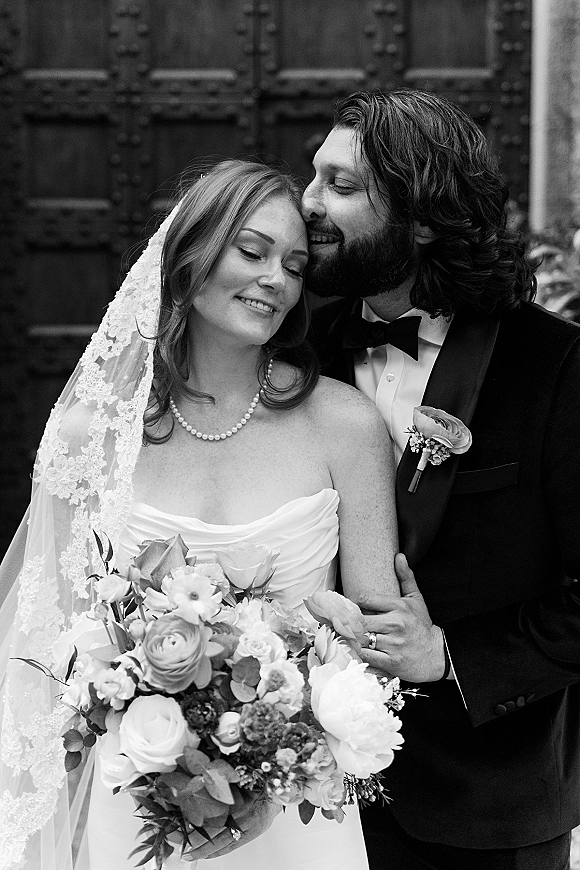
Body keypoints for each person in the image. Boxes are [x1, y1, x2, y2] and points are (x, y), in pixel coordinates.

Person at [0, 159, 400, 870]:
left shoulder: (344, 424)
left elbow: (374, 638)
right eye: (252, 252)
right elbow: (46, 647)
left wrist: (272, 768)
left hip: (294, 813)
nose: (276, 279)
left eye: (295, 266)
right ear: (189, 256)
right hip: (136, 806)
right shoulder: (92, 435)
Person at [303, 89, 580, 870]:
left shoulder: (555, 366)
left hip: (491, 806)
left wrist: (449, 656)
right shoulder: (299, 357)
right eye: (313, 177)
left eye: (340, 185)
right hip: (314, 801)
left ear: (423, 217)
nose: (308, 202)